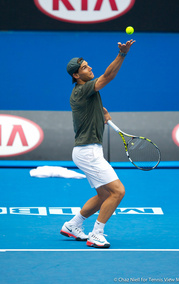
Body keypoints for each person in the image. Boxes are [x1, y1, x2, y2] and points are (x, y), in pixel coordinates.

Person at [60, 39, 135, 248]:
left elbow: (91, 107)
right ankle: (96, 233)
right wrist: (122, 54)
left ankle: (72, 225)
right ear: (76, 75)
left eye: (87, 64)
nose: (90, 68)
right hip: (88, 152)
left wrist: (102, 111)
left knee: (103, 194)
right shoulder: (83, 90)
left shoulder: (81, 92)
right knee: (118, 191)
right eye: (84, 68)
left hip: (86, 150)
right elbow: (108, 76)